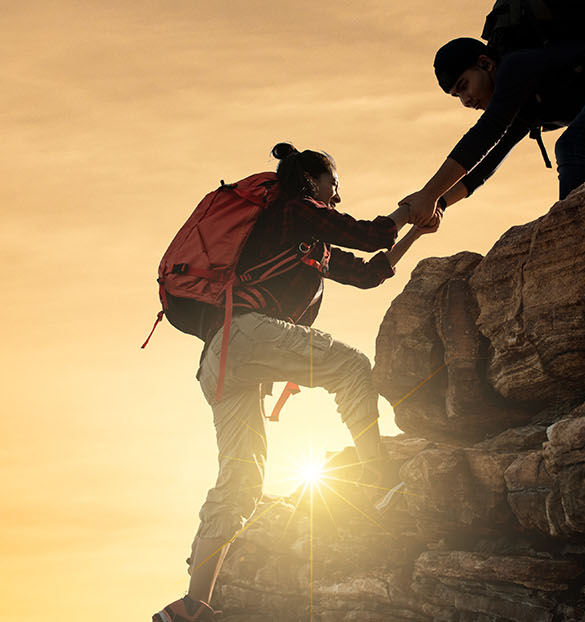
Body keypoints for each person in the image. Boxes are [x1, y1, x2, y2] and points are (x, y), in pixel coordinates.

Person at [154, 143, 436, 622]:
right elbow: (369, 235)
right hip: (245, 335)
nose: (338, 198)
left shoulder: (308, 241)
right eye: (334, 186)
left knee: (238, 483)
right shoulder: (294, 211)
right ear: (312, 180)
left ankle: (191, 606)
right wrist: (409, 209)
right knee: (349, 367)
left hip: (221, 359)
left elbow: (369, 273)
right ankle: (379, 477)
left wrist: (416, 234)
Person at [396, 35, 585, 227]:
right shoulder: (525, 102)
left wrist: (428, 193)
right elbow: (487, 163)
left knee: (575, 148)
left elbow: (486, 133)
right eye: (457, 96)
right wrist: (440, 203)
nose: (466, 101)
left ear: (485, 63)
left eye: (463, 86)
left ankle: (573, 244)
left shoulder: (516, 66)